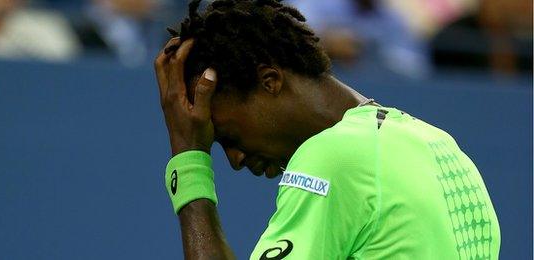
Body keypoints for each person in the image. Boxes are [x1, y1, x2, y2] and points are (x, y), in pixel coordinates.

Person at [154, 0, 501, 259]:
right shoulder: (443, 147)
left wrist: (188, 155)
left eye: (228, 137)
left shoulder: (335, 156)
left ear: (270, 81)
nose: (235, 159)